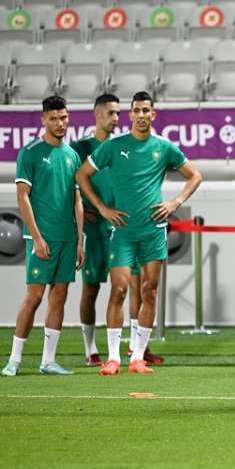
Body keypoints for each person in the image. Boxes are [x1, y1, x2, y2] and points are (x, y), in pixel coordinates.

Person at [76, 91, 202, 376]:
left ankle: (138, 357)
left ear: (153, 114)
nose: (142, 115)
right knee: (118, 290)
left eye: (147, 110)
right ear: (131, 114)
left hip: (153, 232)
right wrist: (102, 208)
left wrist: (175, 202)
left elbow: (195, 175)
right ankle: (112, 358)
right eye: (137, 110)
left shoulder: (164, 147)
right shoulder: (113, 146)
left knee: (149, 291)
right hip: (122, 232)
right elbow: (82, 175)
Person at [1, 95, 84, 376]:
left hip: (67, 238)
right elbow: (22, 197)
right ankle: (14, 360)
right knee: (34, 296)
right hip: (41, 238)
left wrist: (80, 240)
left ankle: (48, 361)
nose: (60, 123)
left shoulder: (72, 155)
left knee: (59, 296)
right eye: (54, 118)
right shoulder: (30, 152)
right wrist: (37, 237)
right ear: (43, 120)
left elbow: (77, 201)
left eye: (64, 117)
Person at [71, 93, 120, 367]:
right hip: (92, 228)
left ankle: (127, 349)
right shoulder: (79, 149)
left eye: (118, 113)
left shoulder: (120, 147)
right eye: (111, 113)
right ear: (97, 114)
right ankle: (90, 348)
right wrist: (78, 210)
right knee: (91, 288)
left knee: (122, 286)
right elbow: (70, 185)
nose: (116, 118)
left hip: (120, 226)